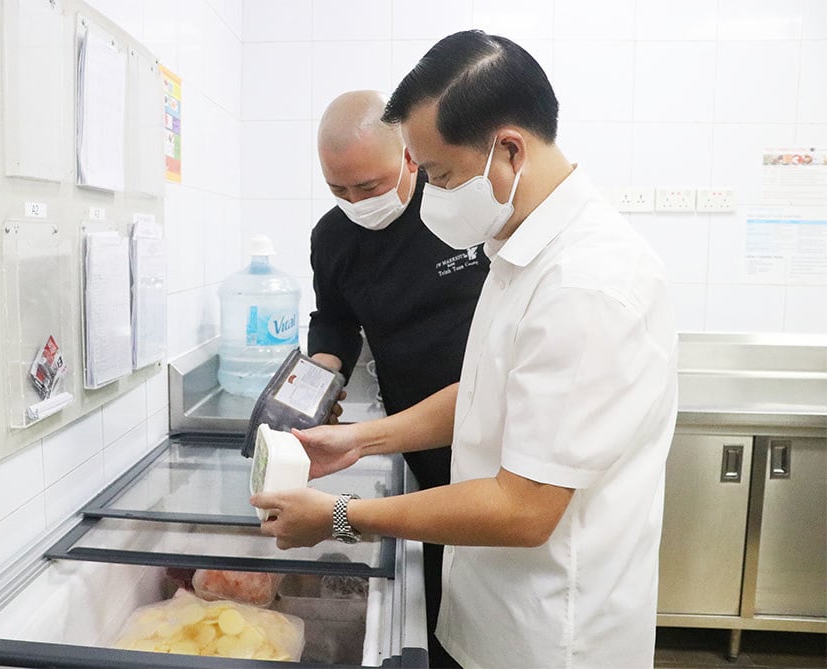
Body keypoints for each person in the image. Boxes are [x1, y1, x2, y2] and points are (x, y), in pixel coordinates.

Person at [252, 30, 678, 669]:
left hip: (549, 634)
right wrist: (360, 440)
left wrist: (338, 518)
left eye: (441, 175)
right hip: (487, 605)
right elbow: (482, 392)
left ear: (508, 149)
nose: (433, 195)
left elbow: (523, 511)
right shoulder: (518, 255)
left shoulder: (587, 286)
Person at [308, 90, 489, 668]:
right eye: (339, 190)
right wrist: (320, 377)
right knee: (437, 593)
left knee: (491, 588)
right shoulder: (332, 239)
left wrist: (338, 515)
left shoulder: (461, 212)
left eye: (369, 186)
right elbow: (335, 320)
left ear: (410, 158)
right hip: (414, 433)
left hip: (491, 428)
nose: (356, 201)